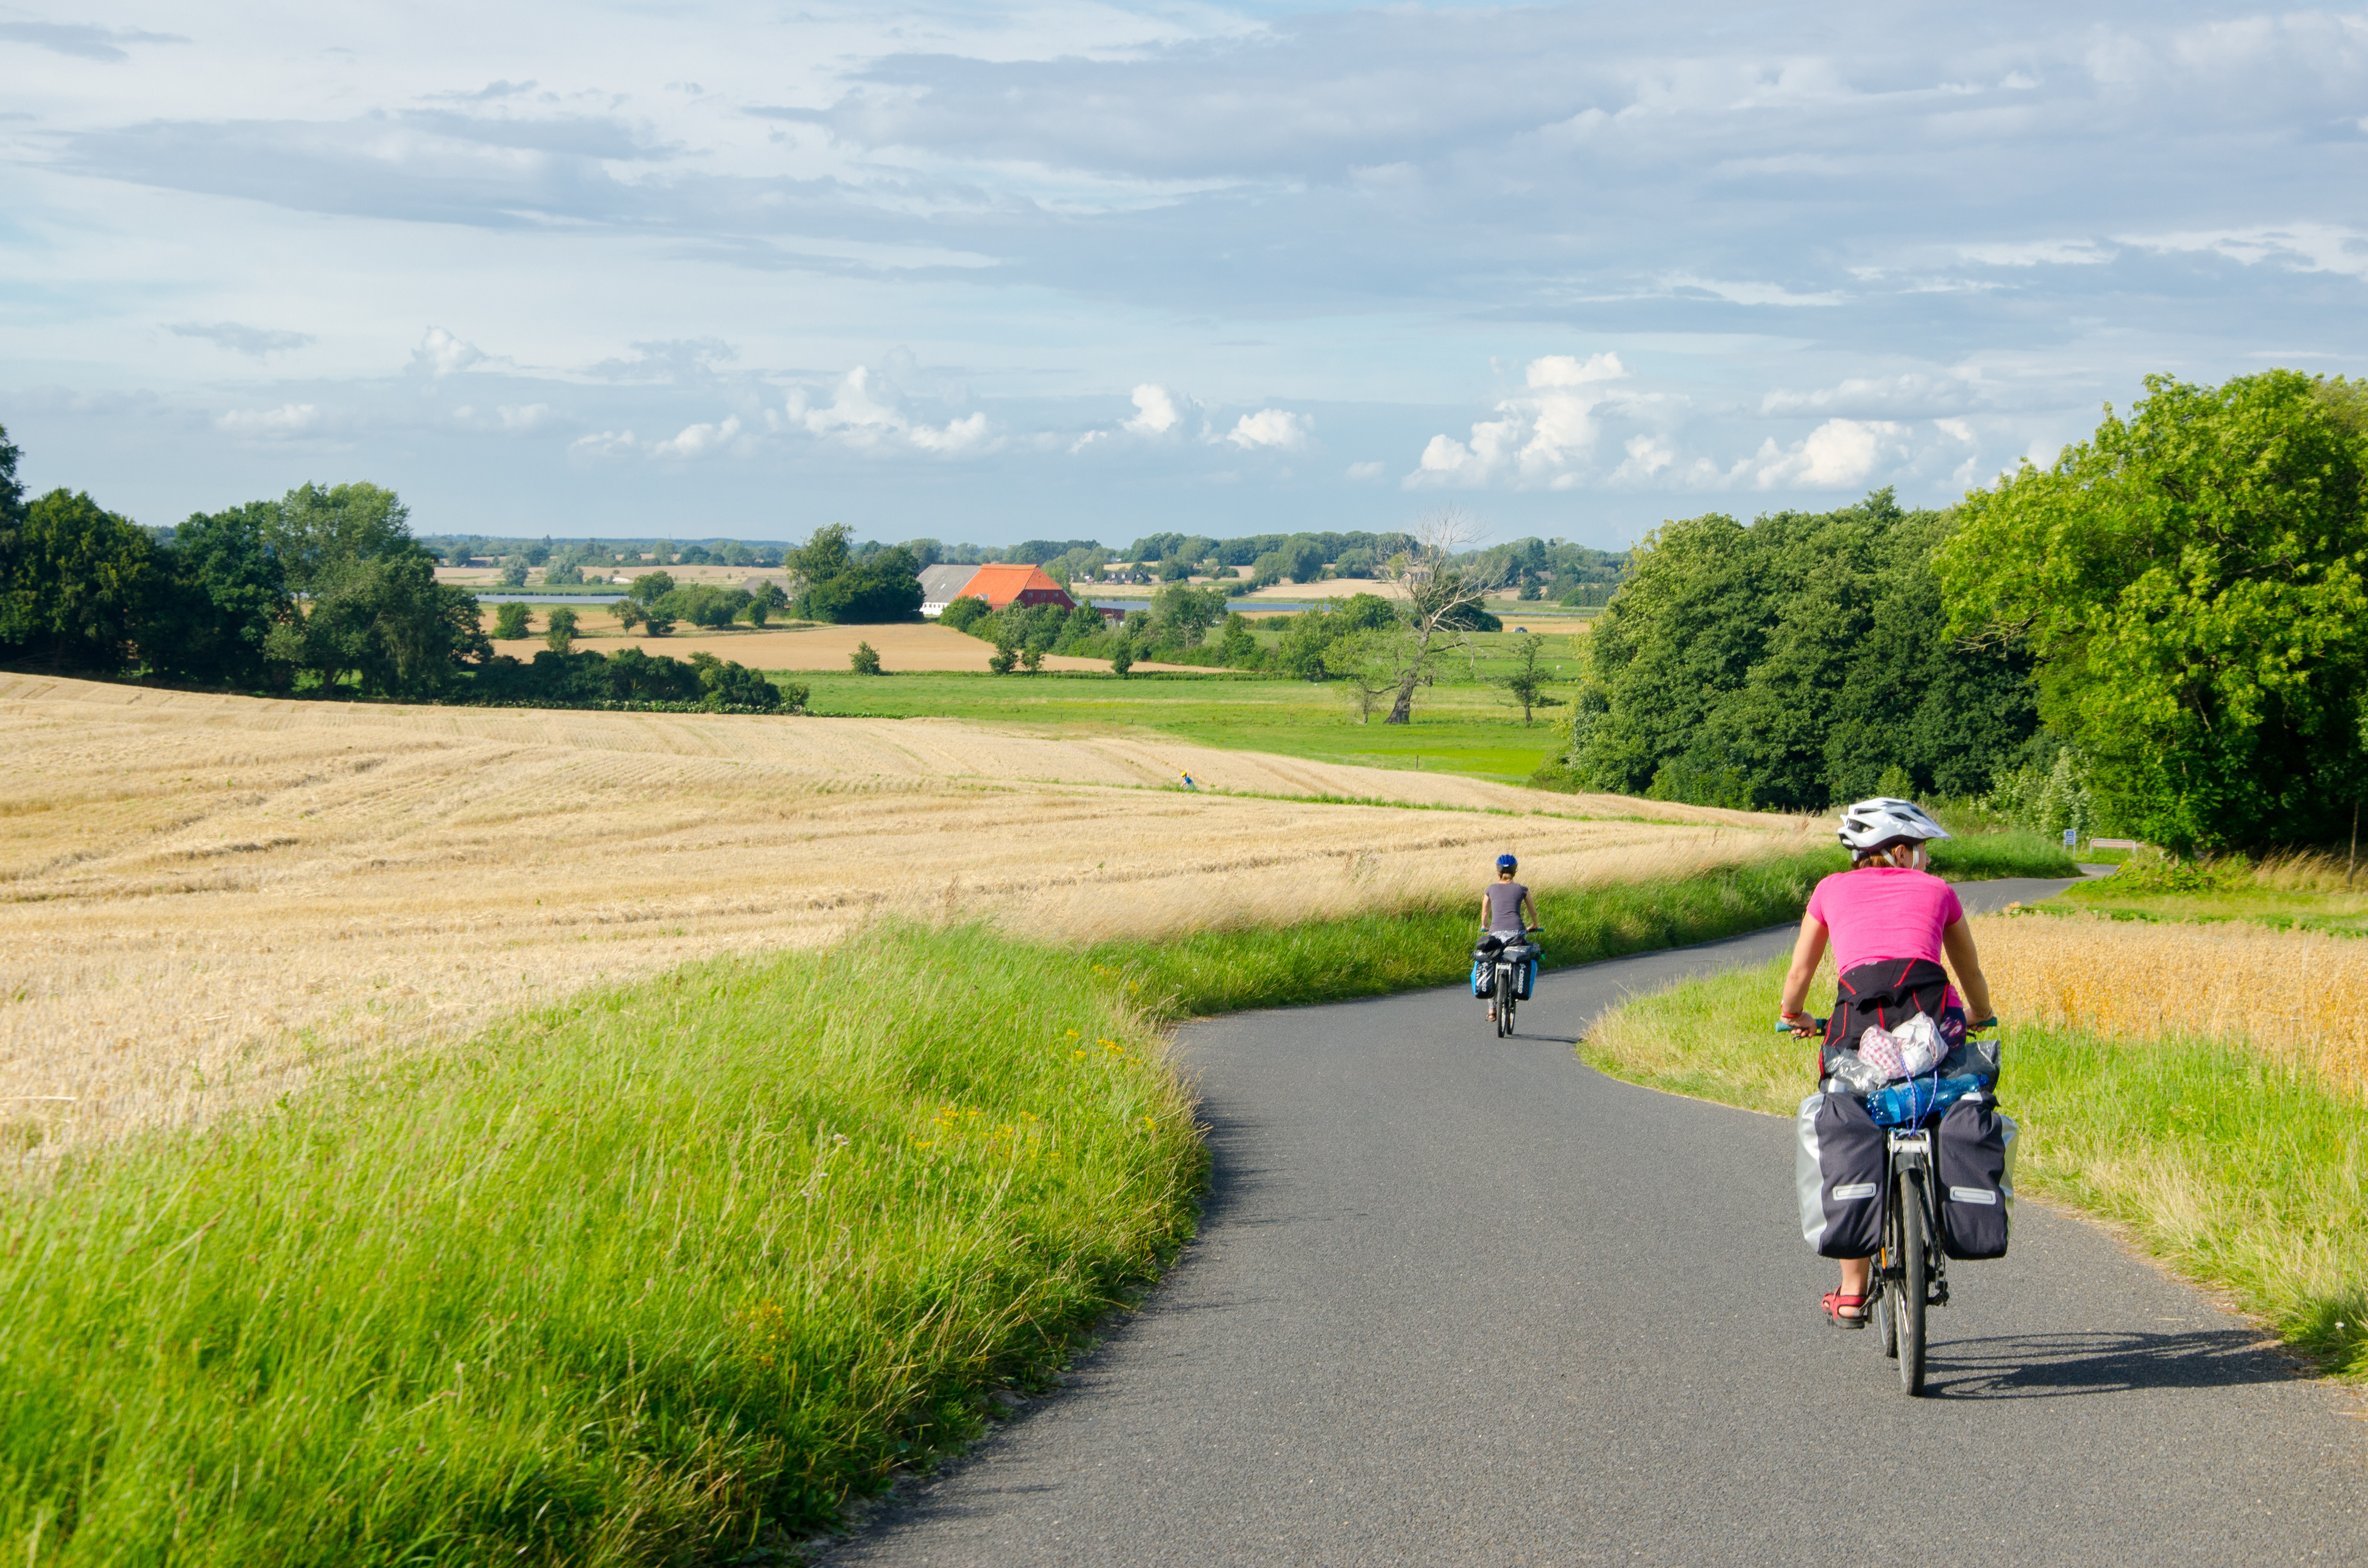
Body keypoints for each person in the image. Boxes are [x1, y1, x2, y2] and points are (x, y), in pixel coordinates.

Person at [1778, 798, 1996, 1328]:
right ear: (1899, 851)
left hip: (1857, 1023)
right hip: (1934, 1021)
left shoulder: (1829, 889)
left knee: (1849, 1120)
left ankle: (1853, 1291)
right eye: (1919, 849)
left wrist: (1792, 1015)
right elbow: (1968, 968)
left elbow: (1800, 972)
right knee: (1945, 1101)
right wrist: (1980, 1015)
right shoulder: (1938, 891)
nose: (1925, 859)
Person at [1478, 853, 1537, 1022]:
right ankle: (1514, 994)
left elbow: (1485, 913)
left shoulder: (1490, 889)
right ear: (1515, 872)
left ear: (1498, 873)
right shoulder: (1522, 889)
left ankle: (1492, 1009)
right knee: (1517, 959)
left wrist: (1485, 926)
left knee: (1491, 962)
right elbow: (1533, 912)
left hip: (1496, 934)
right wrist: (1534, 925)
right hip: (1517, 933)